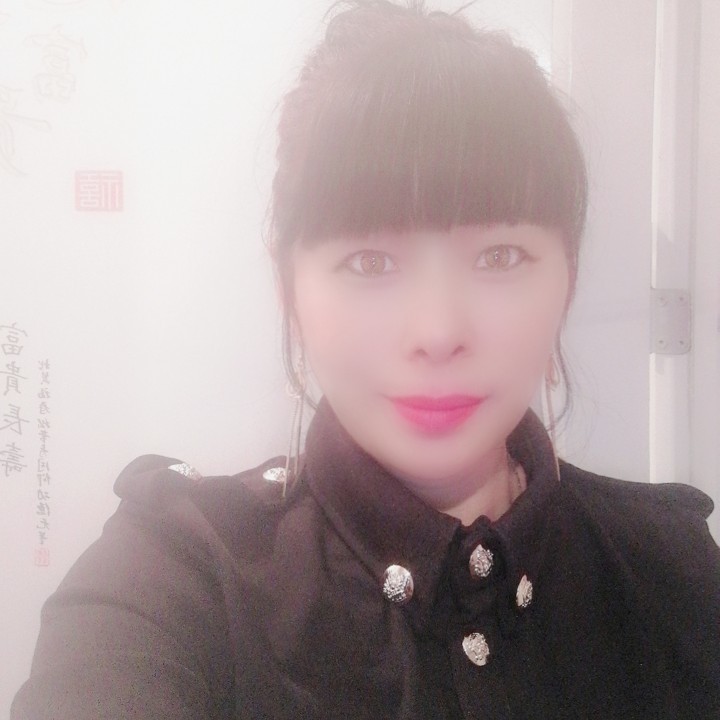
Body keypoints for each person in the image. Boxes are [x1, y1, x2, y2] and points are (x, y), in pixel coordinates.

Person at [11, 1, 720, 718]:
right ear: (289, 288)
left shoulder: (675, 569)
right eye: (371, 261)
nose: (438, 331)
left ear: (567, 278)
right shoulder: (171, 581)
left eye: (500, 256)